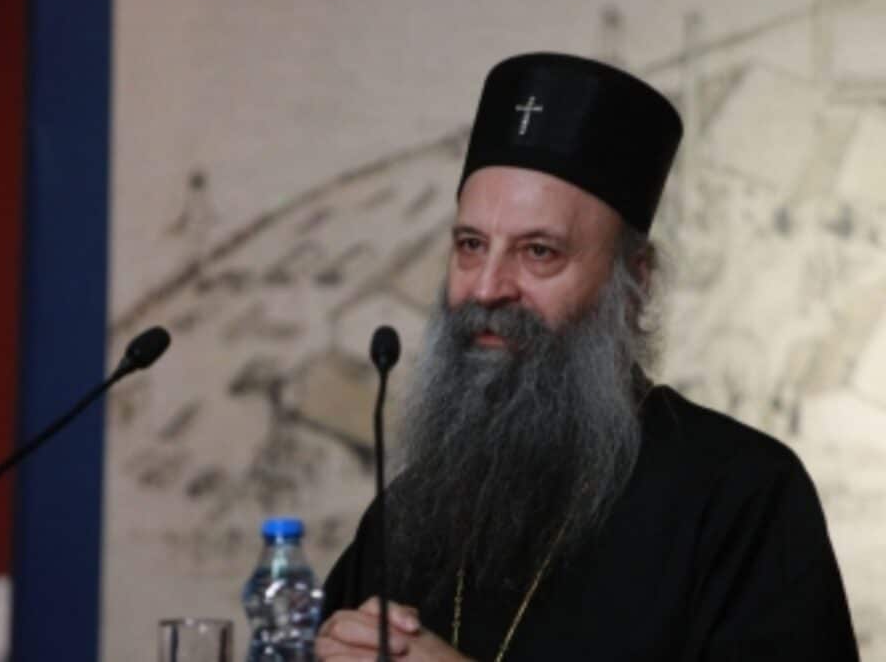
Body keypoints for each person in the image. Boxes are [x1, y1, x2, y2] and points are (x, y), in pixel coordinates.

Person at [315, 53, 859, 661]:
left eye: (539, 252)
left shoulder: (743, 495)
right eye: (470, 245)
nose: (487, 287)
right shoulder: (409, 511)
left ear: (635, 281)